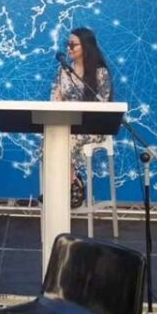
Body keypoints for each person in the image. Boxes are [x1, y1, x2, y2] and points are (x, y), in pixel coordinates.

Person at [50, 27, 113, 208]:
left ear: (86, 46)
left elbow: (103, 104)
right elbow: (55, 99)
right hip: (68, 126)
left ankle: (63, 189)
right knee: (50, 137)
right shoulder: (63, 72)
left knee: (67, 137)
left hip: (92, 127)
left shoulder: (100, 73)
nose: (69, 48)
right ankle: (70, 182)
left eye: (73, 44)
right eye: (67, 44)